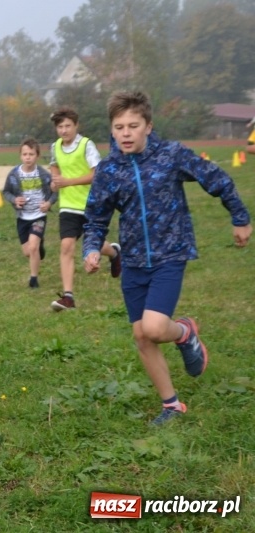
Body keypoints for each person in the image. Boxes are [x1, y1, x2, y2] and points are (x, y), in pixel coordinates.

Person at [83, 90, 252, 426]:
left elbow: (216, 178)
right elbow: (96, 217)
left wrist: (240, 217)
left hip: (170, 254)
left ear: (148, 126)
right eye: (119, 127)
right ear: (112, 129)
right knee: (142, 336)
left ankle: (184, 332)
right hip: (133, 261)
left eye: (133, 126)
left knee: (155, 327)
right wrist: (91, 248)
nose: (126, 133)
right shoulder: (108, 170)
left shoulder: (171, 155)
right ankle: (172, 405)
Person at [49, 107, 121, 311]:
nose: (64, 130)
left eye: (68, 126)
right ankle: (68, 297)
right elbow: (54, 167)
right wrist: (54, 182)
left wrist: (69, 181)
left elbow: (97, 174)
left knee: (94, 244)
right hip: (68, 206)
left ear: (76, 126)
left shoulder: (86, 145)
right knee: (66, 246)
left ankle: (114, 252)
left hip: (90, 204)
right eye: (60, 127)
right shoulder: (55, 147)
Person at [2, 138, 57, 289]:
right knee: (28, 252)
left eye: (31, 154)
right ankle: (40, 246)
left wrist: (48, 203)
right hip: (22, 218)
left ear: (37, 156)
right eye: (25, 154)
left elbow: (55, 192)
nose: (28, 157)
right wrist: (14, 200)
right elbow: (6, 192)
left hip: (38, 216)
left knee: (33, 247)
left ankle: (33, 279)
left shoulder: (44, 175)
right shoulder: (14, 174)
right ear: (20, 156)